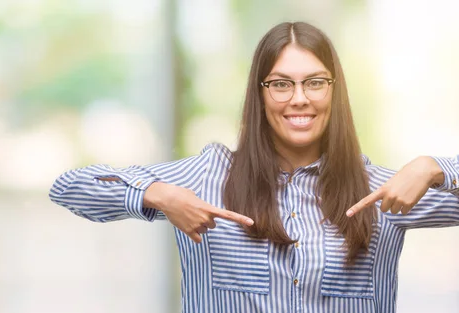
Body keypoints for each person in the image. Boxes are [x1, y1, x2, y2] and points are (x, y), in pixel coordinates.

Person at [49, 21, 459, 313]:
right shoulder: (207, 177)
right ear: (260, 94)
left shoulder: (385, 192)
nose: (299, 98)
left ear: (335, 92)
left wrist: (435, 168)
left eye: (315, 82)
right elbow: (69, 187)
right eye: (281, 84)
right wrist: (157, 193)